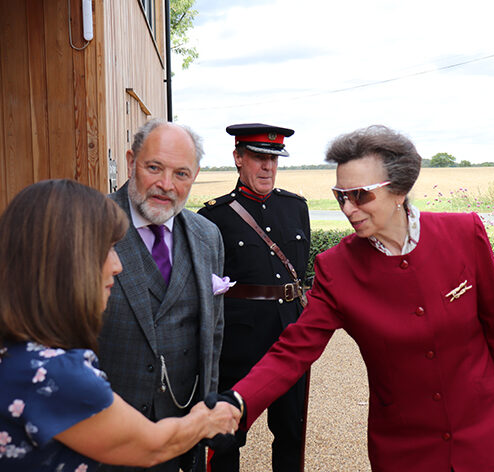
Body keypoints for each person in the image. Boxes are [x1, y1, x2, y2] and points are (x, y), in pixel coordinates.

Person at [226, 125, 494, 471]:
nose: (348, 208)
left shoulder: (464, 233)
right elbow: (292, 352)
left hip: (487, 440)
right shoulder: (336, 269)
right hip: (405, 453)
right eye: (340, 195)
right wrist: (237, 403)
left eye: (360, 195)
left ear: (399, 189)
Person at [0, 179, 240, 472]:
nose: (117, 265)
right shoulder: (54, 374)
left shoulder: (17, 351)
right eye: (108, 249)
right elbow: (153, 446)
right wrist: (205, 420)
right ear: (66, 261)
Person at [97, 119, 229, 472]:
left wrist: (206, 414)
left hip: (181, 442)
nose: (166, 185)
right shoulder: (90, 225)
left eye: (181, 173)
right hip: (102, 438)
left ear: (196, 175)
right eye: (154, 167)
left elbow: (213, 334)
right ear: (130, 161)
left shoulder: (208, 236)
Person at [198, 123, 311, 471]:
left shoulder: (296, 208)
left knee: (291, 430)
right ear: (238, 158)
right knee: (228, 434)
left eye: (274, 159)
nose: (268, 167)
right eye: (259, 158)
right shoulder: (213, 217)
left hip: (290, 335)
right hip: (238, 341)